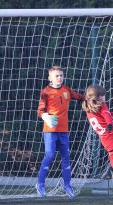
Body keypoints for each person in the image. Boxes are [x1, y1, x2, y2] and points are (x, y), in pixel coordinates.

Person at [36, 66, 84, 198]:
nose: (59, 78)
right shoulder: (45, 92)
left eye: (61, 75)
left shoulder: (66, 90)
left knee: (66, 157)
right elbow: (40, 110)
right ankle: (40, 184)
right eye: (56, 76)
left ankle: (67, 185)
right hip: (50, 130)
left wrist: (89, 98)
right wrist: (45, 116)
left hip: (64, 130)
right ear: (50, 78)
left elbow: (79, 97)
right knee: (50, 155)